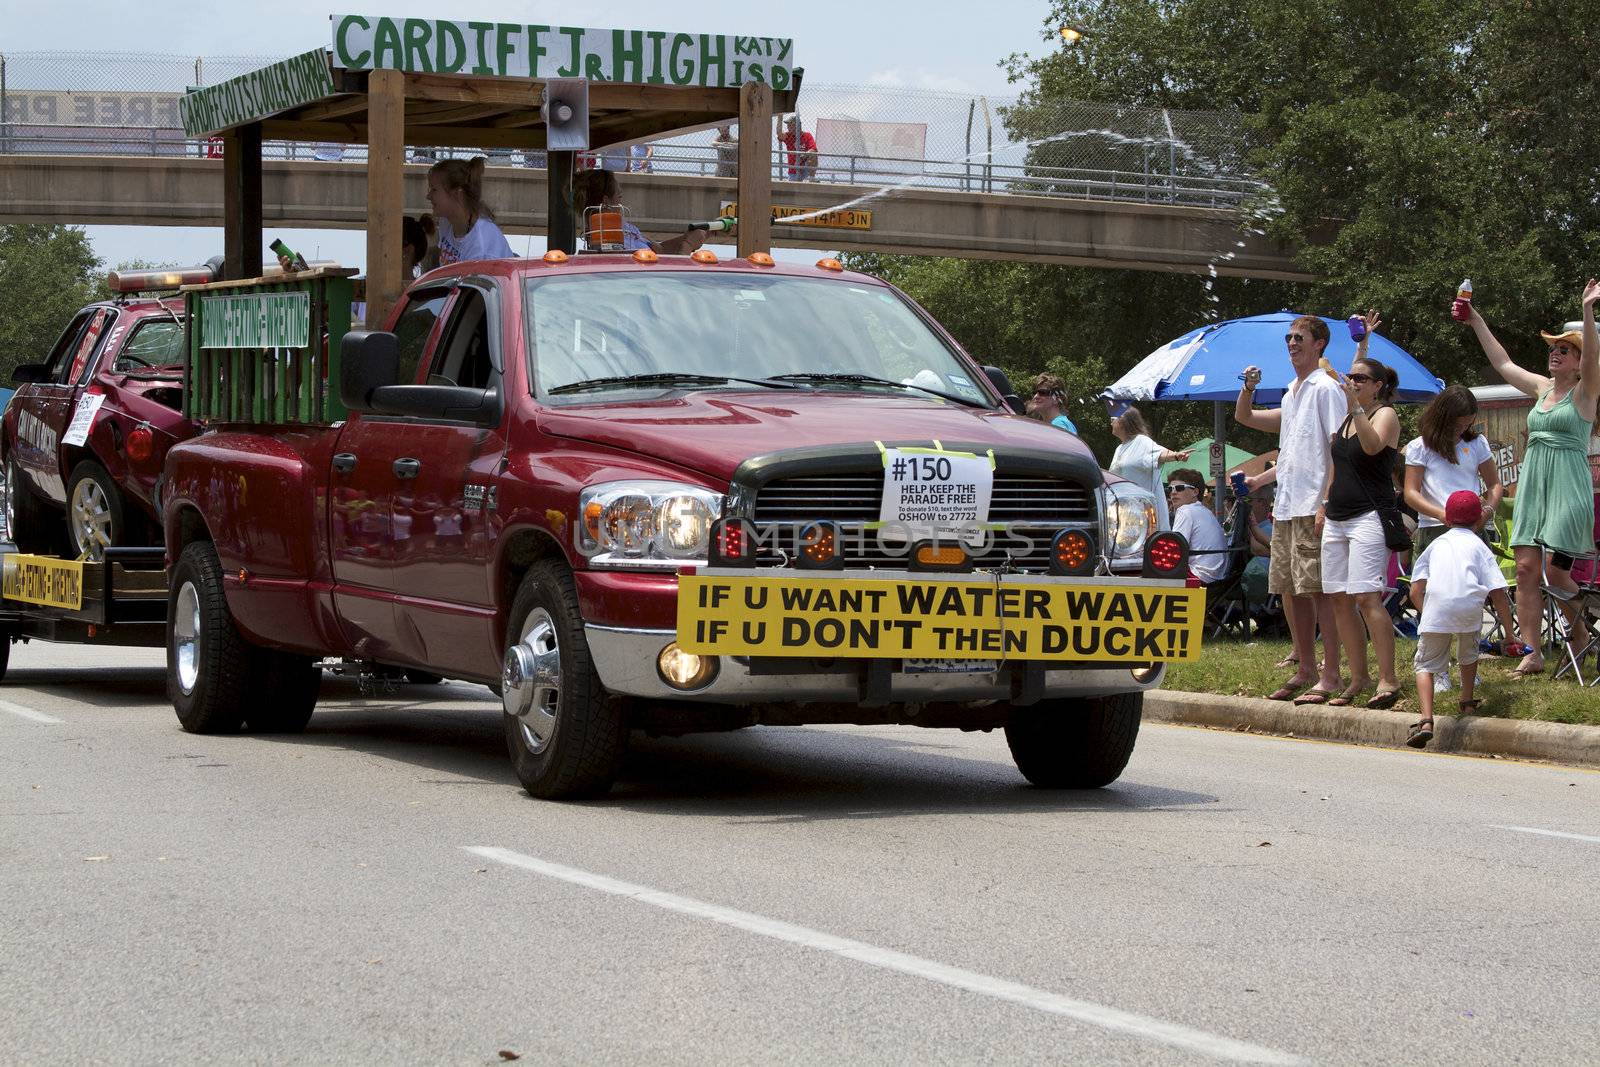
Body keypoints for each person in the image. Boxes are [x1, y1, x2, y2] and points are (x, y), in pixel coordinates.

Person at [1458, 279, 1600, 679]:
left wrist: (1587, 311)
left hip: (1569, 485)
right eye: (1554, 348)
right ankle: (1532, 651)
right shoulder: (1541, 389)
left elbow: (1593, 361)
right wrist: (1475, 320)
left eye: (1564, 350)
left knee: (1556, 570)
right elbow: (1503, 363)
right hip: (1535, 482)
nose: (1555, 353)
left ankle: (1579, 635)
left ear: (1579, 360)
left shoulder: (1587, 392)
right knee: (1524, 569)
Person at [1235, 314, 1348, 704]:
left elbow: (1337, 449)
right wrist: (1258, 482)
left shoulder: (1325, 388)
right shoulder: (1291, 392)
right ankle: (1306, 668)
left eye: (1299, 337)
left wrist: (1326, 503)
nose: (1291, 343)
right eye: (1288, 338)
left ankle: (1331, 675)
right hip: (1286, 506)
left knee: (1319, 592)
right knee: (1290, 589)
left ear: (1319, 344)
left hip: (1311, 505)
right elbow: (1287, 454)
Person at [1318, 312, 1403, 709]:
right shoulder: (1348, 413)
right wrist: (1323, 503)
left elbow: (1371, 448)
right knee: (1338, 598)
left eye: (1360, 380)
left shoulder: (1384, 415)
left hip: (1370, 514)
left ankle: (1388, 678)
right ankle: (1358, 677)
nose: (1351, 383)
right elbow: (1337, 461)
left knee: (1368, 597)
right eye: (1350, 379)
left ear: (1378, 386)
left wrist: (1355, 406)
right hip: (1337, 515)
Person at [1402, 383, 1521, 654]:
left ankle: (1491, 643)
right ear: (1443, 417)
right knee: (1426, 591)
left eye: (1467, 424)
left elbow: (1495, 485)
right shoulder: (1419, 446)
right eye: (1457, 425)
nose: (1460, 431)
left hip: (1472, 527)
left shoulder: (1476, 443)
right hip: (1434, 528)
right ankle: (1436, 646)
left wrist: (1487, 511)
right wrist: (1441, 514)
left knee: (1483, 588)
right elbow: (1410, 492)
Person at [1407, 491, 1511, 748]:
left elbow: (1415, 590)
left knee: (1425, 665)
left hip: (1436, 609)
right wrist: (1510, 633)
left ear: (1447, 519)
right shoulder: (1479, 546)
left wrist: (1426, 613)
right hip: (1468, 608)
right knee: (1468, 655)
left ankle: (1426, 720)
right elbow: (1498, 591)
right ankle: (1466, 703)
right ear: (1478, 520)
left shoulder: (1436, 545)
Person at [569, 169, 707, 255]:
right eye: (619, 197)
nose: (621, 202)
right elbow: (655, 277)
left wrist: (704, 233)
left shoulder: (625, 228)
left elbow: (660, 250)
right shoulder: (611, 240)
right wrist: (687, 245)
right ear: (605, 202)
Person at [1109, 405, 1191, 530]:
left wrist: (1176, 455)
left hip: (1144, 511)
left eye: (1113, 419)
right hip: (1124, 510)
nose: (1111, 423)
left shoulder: (1141, 441)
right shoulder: (1119, 449)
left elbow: (1160, 453)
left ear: (1123, 421)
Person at [423, 157, 514, 267]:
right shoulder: (447, 221)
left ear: (458, 194)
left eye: (434, 189)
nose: (428, 196)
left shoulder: (481, 250)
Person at [1167, 468, 1228, 585]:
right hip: (1216, 576)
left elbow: (1174, 550)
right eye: (1170, 489)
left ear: (1195, 492)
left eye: (1179, 488)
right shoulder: (1205, 511)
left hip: (1200, 575)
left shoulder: (1185, 510)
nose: (1173, 492)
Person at [777, 116, 818, 180]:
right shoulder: (788, 136)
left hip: (805, 169)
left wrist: (803, 155)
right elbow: (779, 134)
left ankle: (811, 178)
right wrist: (780, 118)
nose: (788, 127)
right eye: (788, 125)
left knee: (813, 155)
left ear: (798, 125)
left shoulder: (807, 135)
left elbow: (813, 149)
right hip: (793, 171)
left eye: (791, 125)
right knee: (792, 188)